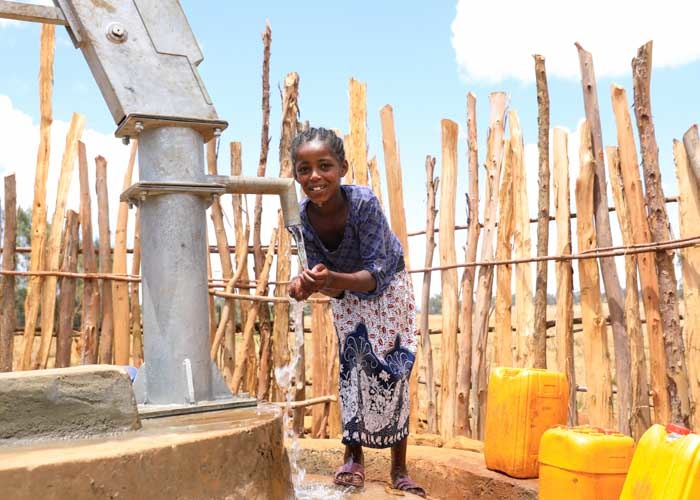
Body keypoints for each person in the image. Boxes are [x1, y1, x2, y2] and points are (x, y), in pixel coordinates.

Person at [287, 127, 425, 497]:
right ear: (295, 175)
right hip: (346, 291)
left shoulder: (363, 203)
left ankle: (398, 467)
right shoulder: (300, 220)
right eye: (304, 169)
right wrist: (306, 286)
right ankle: (353, 458)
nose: (314, 176)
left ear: (343, 168)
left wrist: (331, 278)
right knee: (353, 368)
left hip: (388, 288)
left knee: (393, 370)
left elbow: (376, 274)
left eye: (324, 166)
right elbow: (320, 280)